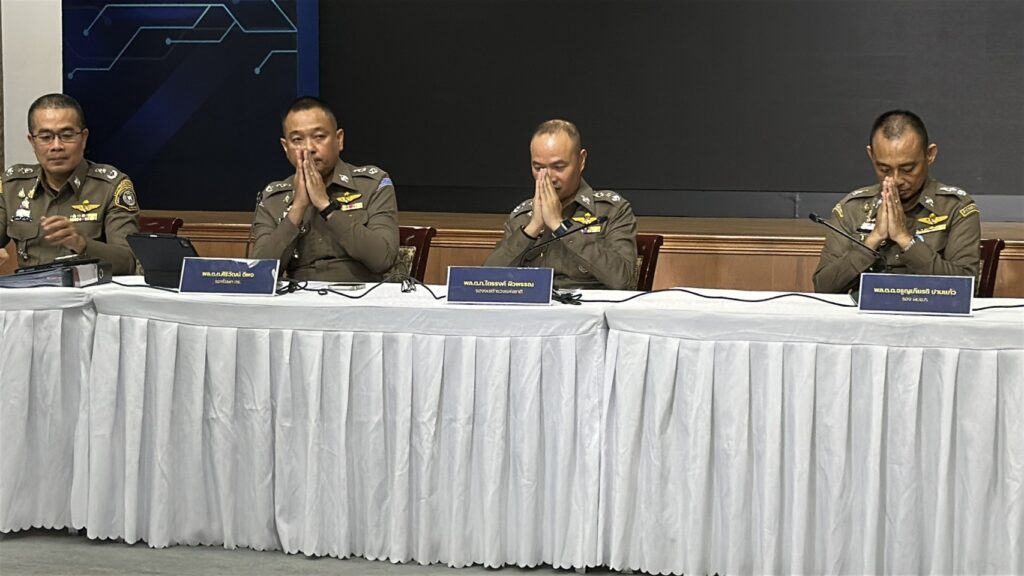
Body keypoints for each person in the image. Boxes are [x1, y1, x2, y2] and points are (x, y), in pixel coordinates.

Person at [813, 110, 981, 294]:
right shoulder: (852, 209)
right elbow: (823, 287)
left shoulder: (956, 207)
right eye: (884, 169)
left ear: (930, 155)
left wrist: (905, 239)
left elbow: (966, 288)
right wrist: (872, 242)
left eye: (908, 169)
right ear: (871, 156)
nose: (896, 180)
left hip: (930, 311)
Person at [251, 97, 398, 281]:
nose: (309, 148)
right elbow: (259, 274)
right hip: (299, 296)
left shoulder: (372, 184)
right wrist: (297, 208)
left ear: (339, 139)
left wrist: (326, 206)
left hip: (362, 294)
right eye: (297, 140)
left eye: (319, 137)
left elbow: (382, 259)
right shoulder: (273, 198)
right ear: (285, 147)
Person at [484, 119, 638, 290]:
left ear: (581, 160)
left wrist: (561, 226)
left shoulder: (611, 210)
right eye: (538, 167)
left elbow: (624, 281)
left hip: (587, 304)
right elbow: (485, 282)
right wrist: (532, 228)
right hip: (533, 304)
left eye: (559, 167)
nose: (548, 177)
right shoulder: (523, 216)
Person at [0, 93, 139, 274]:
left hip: (90, 291)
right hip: (30, 290)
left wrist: (81, 243)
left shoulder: (110, 187)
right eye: (45, 137)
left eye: (66, 135)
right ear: (32, 142)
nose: (56, 146)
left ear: (84, 138)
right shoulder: (12, 186)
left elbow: (129, 261)